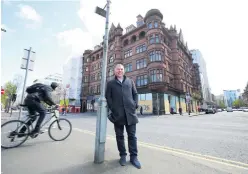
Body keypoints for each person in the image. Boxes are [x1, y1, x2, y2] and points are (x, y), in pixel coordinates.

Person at [105, 64, 141, 169]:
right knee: (120, 137)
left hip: (130, 113)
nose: (120, 71)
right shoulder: (111, 83)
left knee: (132, 136)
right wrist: (113, 108)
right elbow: (108, 97)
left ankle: (134, 157)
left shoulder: (130, 81)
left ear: (124, 71)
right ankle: (123, 156)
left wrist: (135, 105)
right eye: (118, 69)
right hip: (118, 114)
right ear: (114, 71)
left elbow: (135, 94)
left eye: (121, 69)